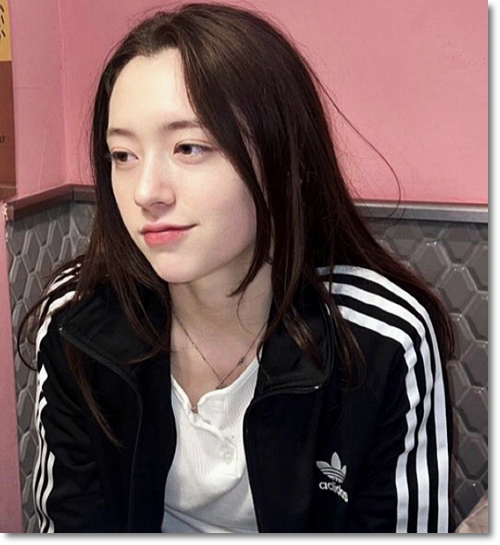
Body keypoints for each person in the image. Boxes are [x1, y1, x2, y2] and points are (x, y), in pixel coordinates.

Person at [23, 2, 453, 533]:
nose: (146, 192)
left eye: (189, 147)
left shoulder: (378, 341)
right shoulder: (77, 321)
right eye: (123, 155)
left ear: (286, 159)